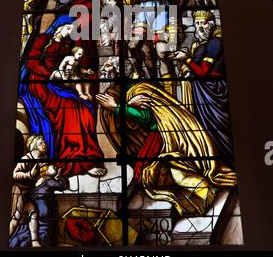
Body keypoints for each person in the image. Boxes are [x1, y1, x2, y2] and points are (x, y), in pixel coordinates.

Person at [97, 81, 237, 217]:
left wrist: (116, 107)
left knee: (148, 171)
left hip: (161, 135)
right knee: (146, 170)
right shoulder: (139, 90)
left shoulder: (139, 91)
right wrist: (126, 105)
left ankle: (202, 191)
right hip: (160, 133)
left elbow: (145, 118)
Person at [20, 23, 106, 178]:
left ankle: (87, 156)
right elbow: (31, 62)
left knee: (84, 108)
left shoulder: (67, 46)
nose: (69, 32)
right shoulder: (44, 40)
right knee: (70, 108)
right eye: (67, 28)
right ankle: (76, 158)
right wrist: (50, 75)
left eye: (71, 31)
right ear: (59, 27)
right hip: (40, 83)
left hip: (56, 84)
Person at [124, 0, 197, 78]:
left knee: (162, 52)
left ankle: (168, 85)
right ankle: (139, 73)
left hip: (163, 9)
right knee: (133, 45)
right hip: (143, 10)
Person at [173, 10, 234, 165]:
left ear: (211, 25)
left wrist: (186, 60)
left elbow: (203, 72)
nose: (199, 27)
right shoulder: (202, 44)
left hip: (212, 92)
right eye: (197, 23)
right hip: (203, 92)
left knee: (216, 130)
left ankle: (226, 165)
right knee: (208, 130)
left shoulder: (215, 43)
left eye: (203, 23)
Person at [9, 135, 48, 246]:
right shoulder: (27, 158)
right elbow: (15, 174)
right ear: (33, 146)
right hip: (19, 191)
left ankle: (35, 241)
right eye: (41, 143)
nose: (44, 144)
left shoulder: (43, 160)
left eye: (44, 142)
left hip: (29, 193)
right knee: (16, 218)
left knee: (33, 213)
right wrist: (30, 174)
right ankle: (2, 241)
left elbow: (42, 176)